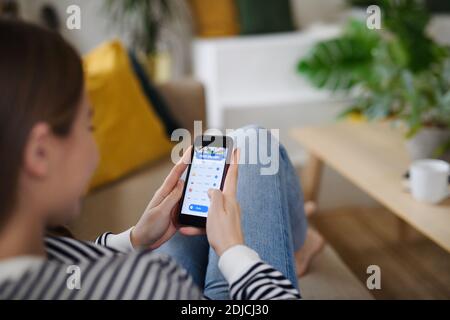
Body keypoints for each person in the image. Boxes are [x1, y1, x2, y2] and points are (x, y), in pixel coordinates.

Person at [0, 19, 322, 300]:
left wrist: (135, 238)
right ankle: (299, 241)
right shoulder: (147, 280)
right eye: (88, 127)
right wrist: (235, 252)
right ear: (39, 153)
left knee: (232, 164)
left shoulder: (33, 253)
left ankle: (298, 239)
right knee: (254, 143)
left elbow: (68, 256)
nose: (94, 148)